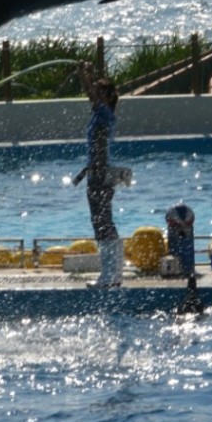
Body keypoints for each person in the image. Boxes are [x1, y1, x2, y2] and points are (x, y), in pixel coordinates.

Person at [75, 62, 124, 287]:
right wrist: (84, 171)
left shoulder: (104, 113)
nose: (94, 94)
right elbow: (97, 150)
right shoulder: (102, 116)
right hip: (98, 174)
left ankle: (109, 275)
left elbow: (91, 96)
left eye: (98, 91)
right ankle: (113, 274)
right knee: (103, 221)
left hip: (101, 176)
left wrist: (86, 75)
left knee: (102, 222)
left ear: (106, 96)